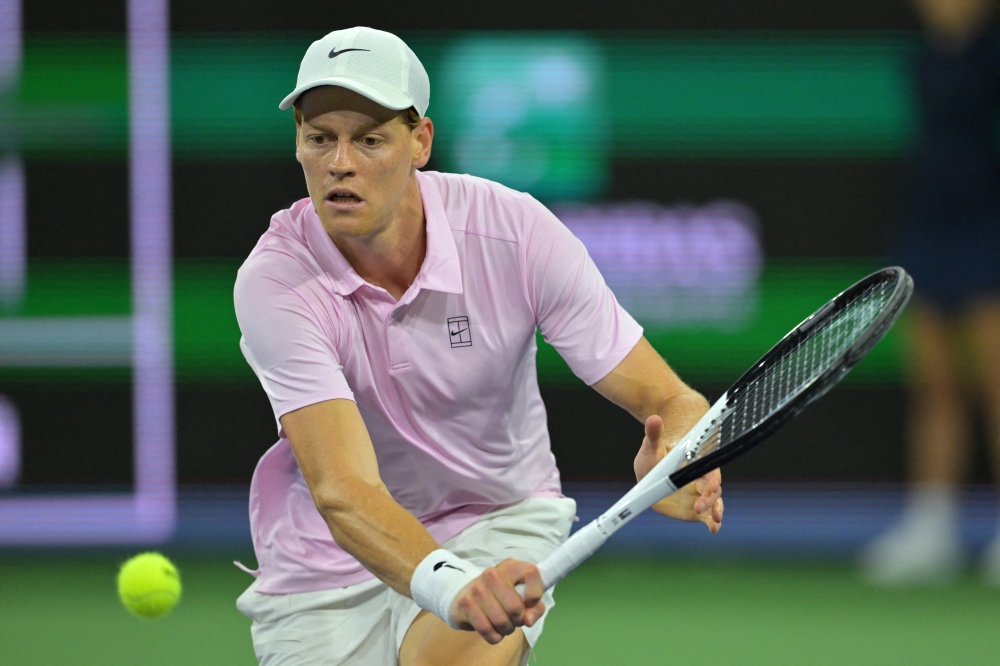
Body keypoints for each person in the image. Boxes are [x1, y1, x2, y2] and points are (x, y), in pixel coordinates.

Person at [232, 27, 724, 666]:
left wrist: (681, 456)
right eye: (320, 138)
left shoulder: (513, 232)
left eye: (370, 139)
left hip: (495, 515)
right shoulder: (276, 281)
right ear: (298, 139)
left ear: (420, 142)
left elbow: (671, 398)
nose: (340, 163)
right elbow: (343, 489)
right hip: (334, 555)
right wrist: (448, 583)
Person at [861, 0, 1000, 585]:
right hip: (928, 223)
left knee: (995, 381)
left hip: (989, 223)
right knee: (933, 382)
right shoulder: (921, 55)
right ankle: (932, 527)